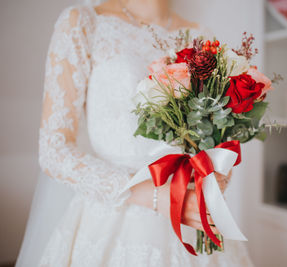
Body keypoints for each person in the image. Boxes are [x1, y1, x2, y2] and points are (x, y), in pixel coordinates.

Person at [16, 0, 253, 266]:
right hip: (114, 217)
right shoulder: (83, 23)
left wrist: (217, 170)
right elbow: (54, 150)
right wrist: (156, 196)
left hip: (192, 211)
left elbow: (213, 130)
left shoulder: (202, 36)